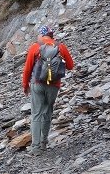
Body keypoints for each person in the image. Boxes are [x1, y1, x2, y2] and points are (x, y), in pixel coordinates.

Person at [22, 25, 75, 154]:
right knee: (47, 112)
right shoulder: (60, 46)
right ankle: (43, 143)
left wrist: (25, 85)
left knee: (36, 114)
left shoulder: (35, 47)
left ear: (41, 34)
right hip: (53, 85)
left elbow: (28, 69)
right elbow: (70, 66)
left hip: (37, 84)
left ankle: (35, 148)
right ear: (51, 35)